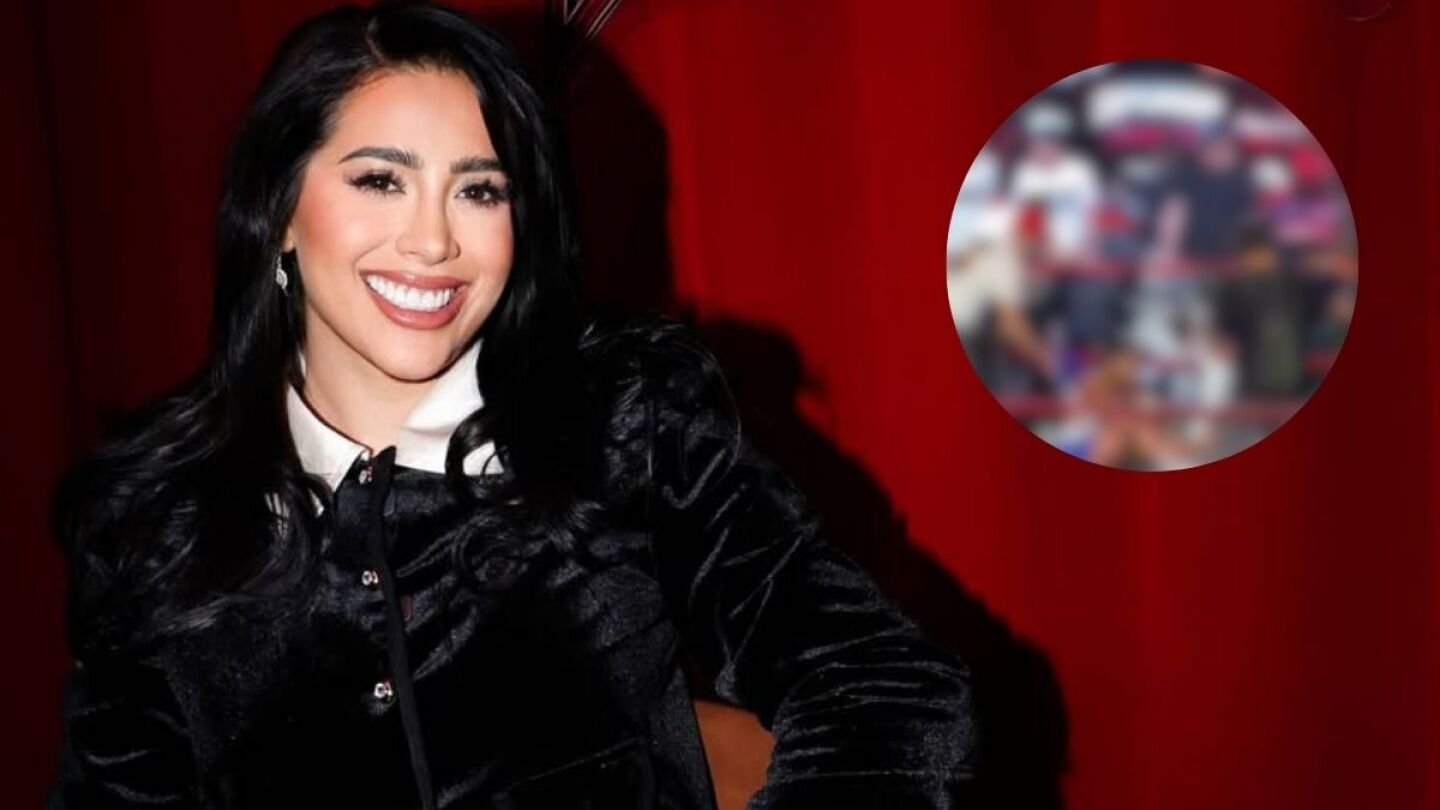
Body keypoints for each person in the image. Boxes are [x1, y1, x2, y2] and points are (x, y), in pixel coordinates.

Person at [44, 2, 977, 809]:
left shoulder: (625, 423)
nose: (432, 240)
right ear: (280, 209)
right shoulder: (159, 520)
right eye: (380, 180)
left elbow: (887, 687)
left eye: (479, 189)